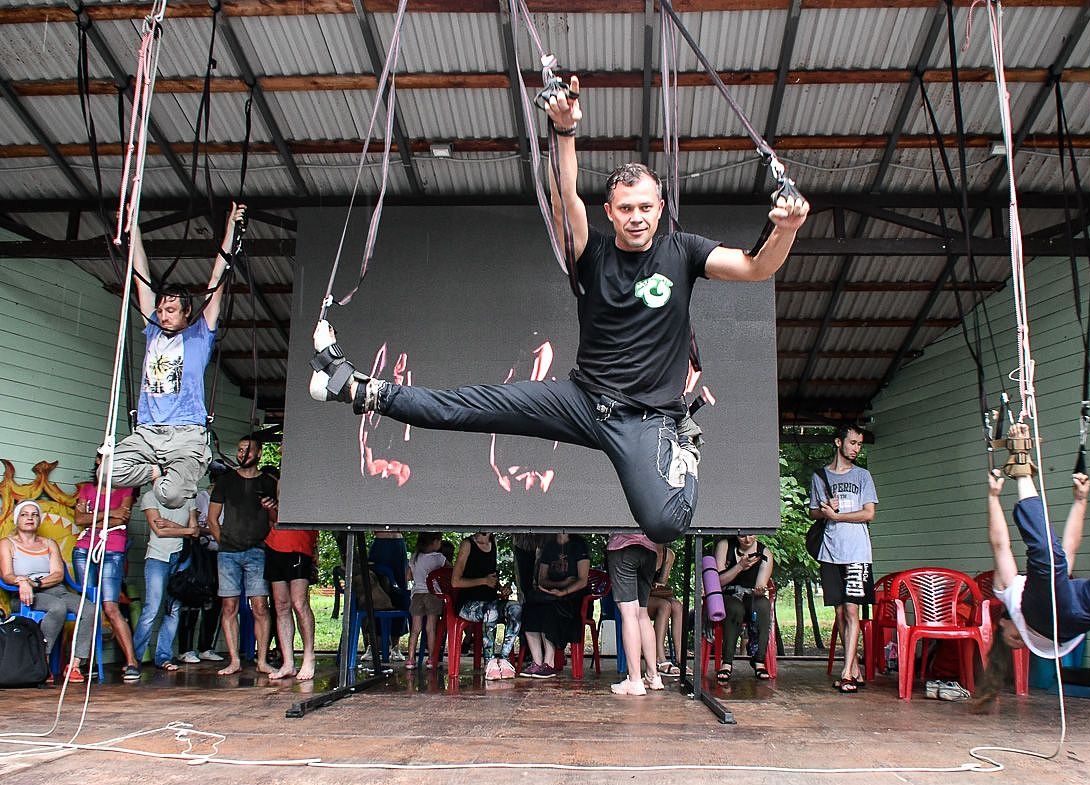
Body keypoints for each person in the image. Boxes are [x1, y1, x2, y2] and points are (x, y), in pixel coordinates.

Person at [308, 76, 809, 545]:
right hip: (583, 400)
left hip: (647, 421)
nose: (637, 217)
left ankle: (687, 449)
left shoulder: (683, 252)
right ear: (609, 211)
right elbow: (562, 192)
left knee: (663, 525)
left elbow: (755, 267)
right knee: (468, 407)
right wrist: (565, 130)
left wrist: (786, 227)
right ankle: (361, 389)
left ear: (660, 207)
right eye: (626, 208)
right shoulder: (591, 254)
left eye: (645, 207)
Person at [975, 425, 1090, 710]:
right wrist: (1081, 501)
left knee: (1055, 558)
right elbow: (1069, 550)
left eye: (1013, 637)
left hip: (1053, 611)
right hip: (1079, 616)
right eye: (1021, 642)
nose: (1020, 638)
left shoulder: (1008, 593)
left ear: (1002, 622)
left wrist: (993, 498)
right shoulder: (1034, 597)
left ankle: (1024, 469)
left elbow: (1001, 544)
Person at [104, 203, 246, 510]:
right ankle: (158, 471)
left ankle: (179, 473)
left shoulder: (199, 336)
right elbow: (141, 275)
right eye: (160, 310)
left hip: (185, 434)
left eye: (171, 310)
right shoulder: (153, 331)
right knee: (105, 471)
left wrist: (231, 230)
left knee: (170, 496)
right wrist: (134, 229)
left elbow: (215, 281)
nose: (163, 315)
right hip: (147, 432)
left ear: (186, 313)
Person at [809, 424, 877, 693]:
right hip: (830, 550)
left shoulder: (863, 476)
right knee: (839, 611)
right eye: (852, 443)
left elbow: (869, 513)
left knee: (852, 609)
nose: (856, 448)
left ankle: (847, 672)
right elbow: (813, 512)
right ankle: (854, 667)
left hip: (857, 551)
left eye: (859, 444)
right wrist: (827, 513)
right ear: (839, 442)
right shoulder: (820, 477)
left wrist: (840, 517)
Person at [0, 501, 96, 683]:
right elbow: (7, 575)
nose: (30, 518)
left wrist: (33, 582)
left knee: (89, 608)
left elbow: (58, 574)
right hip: (24, 595)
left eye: (34, 515)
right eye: (24, 514)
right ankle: (42, 662)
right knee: (57, 607)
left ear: (39, 520)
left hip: (53, 589)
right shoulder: (7, 544)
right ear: (16, 519)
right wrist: (22, 582)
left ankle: (75, 665)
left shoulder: (49, 543)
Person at [208, 435, 277, 675]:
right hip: (228, 553)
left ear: (258, 454)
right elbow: (212, 519)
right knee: (229, 606)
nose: (242, 454)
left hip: (258, 550)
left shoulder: (269, 483)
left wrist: (272, 509)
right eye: (239, 450)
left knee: (260, 606)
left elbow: (275, 521)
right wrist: (223, 542)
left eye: (248, 450)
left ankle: (261, 660)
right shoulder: (225, 481)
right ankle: (234, 660)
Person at [73, 452, 140, 682]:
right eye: (104, 459)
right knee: (88, 607)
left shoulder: (125, 491)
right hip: (84, 548)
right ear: (98, 462)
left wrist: (93, 516)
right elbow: (78, 519)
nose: (108, 463)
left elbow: (122, 520)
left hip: (112, 549)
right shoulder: (86, 490)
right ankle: (85, 662)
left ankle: (132, 662)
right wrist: (110, 513)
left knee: (111, 607)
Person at [132, 486, 197, 671]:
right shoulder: (151, 496)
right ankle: (134, 658)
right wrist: (186, 530)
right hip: (157, 557)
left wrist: (172, 525)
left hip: (180, 557)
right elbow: (159, 532)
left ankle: (163, 657)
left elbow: (196, 531)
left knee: (173, 608)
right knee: (151, 608)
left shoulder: (188, 497)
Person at [451, 532, 522, 680]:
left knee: (515, 608)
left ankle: (503, 659)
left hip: (491, 601)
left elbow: (491, 579)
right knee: (491, 611)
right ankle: (489, 661)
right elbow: (455, 582)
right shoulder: (467, 544)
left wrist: (501, 588)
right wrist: (483, 581)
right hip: (468, 604)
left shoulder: (492, 542)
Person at [520, 533, 590, 678]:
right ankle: (537, 661)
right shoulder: (549, 546)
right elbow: (542, 579)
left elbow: (582, 580)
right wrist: (560, 586)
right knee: (529, 609)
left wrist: (564, 591)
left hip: (572, 598)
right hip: (551, 594)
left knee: (550, 611)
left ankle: (549, 663)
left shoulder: (579, 545)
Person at [712, 533, 774, 681]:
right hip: (729, 594)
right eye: (742, 536)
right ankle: (726, 662)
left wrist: (760, 589)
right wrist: (739, 566)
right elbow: (718, 581)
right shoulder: (725, 545)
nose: (747, 540)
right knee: (735, 609)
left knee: (763, 606)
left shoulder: (765, 553)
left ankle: (758, 660)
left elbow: (761, 583)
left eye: (752, 535)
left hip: (751, 595)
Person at [607, 530, 662, 695]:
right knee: (642, 613)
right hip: (650, 550)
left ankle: (635, 680)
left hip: (623, 546)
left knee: (629, 614)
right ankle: (653, 676)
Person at [263, 526, 318, 681]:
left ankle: (309, 656)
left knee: (299, 603)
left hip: (300, 544)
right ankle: (288, 663)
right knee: (281, 605)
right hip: (274, 543)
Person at [177, 480, 222, 663]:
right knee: (193, 599)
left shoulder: (227, 501)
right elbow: (193, 527)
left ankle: (206, 647)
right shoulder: (200, 498)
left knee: (215, 603)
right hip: (199, 554)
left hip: (218, 554)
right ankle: (185, 649)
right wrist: (215, 531)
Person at [406, 532, 447, 670]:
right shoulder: (439, 558)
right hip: (433, 595)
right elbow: (450, 571)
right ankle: (431, 659)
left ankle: (411, 659)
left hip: (417, 595)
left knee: (415, 629)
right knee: (431, 628)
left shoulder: (415, 557)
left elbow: (408, 577)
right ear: (435, 542)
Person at [648, 543, 684, 677]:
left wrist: (660, 585)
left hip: (655, 594)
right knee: (665, 606)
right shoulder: (643, 550)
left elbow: (663, 581)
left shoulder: (668, 554)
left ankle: (680, 658)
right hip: (639, 595)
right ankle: (659, 658)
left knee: (677, 606)